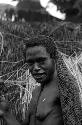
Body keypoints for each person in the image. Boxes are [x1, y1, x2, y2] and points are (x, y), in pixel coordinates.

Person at [0, 36, 64, 125]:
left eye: (41, 61)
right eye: (30, 62)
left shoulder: (63, 90)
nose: (35, 68)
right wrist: (5, 113)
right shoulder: (36, 92)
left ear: (54, 58)